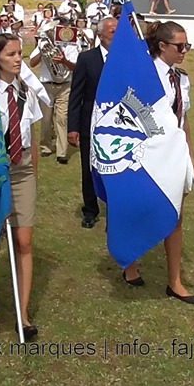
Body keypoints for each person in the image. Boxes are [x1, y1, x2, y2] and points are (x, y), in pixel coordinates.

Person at [119, 20, 194, 304]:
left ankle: (174, 281)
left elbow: (182, 119)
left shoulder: (181, 78)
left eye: (187, 45)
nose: (184, 51)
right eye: (179, 46)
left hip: (174, 155)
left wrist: (190, 154)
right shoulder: (144, 73)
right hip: (147, 153)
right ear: (162, 46)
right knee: (137, 209)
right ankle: (129, 261)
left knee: (175, 216)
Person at [0, 33, 43, 340]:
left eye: (20, 53)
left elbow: (33, 135)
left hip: (22, 170)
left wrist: (34, 174)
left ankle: (23, 312)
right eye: (12, 54)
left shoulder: (26, 91)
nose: (18, 59)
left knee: (25, 240)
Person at [67, 17, 117, 228]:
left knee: (116, 168)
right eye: (113, 31)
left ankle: (116, 209)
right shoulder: (87, 59)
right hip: (90, 124)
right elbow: (76, 95)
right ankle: (90, 210)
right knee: (89, 169)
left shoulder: (125, 59)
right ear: (101, 35)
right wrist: (73, 128)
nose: (117, 35)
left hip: (116, 125)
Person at [29, 19, 78, 164]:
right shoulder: (44, 44)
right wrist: (42, 53)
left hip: (65, 85)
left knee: (62, 119)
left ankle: (62, 152)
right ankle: (46, 146)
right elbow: (32, 62)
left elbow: (75, 67)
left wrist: (64, 61)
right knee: (45, 119)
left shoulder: (72, 44)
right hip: (46, 85)